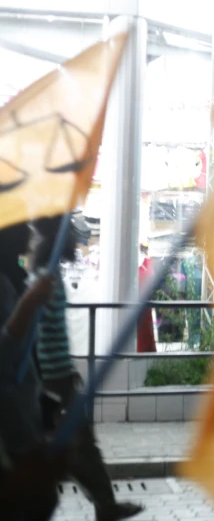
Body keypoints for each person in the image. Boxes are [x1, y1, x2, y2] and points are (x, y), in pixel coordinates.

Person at [31, 216, 144, 521]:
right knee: (76, 447)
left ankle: (105, 505)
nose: (76, 243)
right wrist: (52, 380)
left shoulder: (47, 276)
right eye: (70, 237)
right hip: (53, 382)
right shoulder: (44, 281)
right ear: (59, 240)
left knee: (79, 446)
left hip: (59, 378)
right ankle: (104, 506)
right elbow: (35, 334)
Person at [0, 223, 60, 521]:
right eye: (19, 223)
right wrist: (28, 304)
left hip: (23, 428)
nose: (28, 230)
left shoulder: (14, 279)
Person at [137, 242, 156, 353]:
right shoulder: (131, 263)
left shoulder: (149, 262)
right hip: (132, 304)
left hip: (145, 304)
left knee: (145, 332)